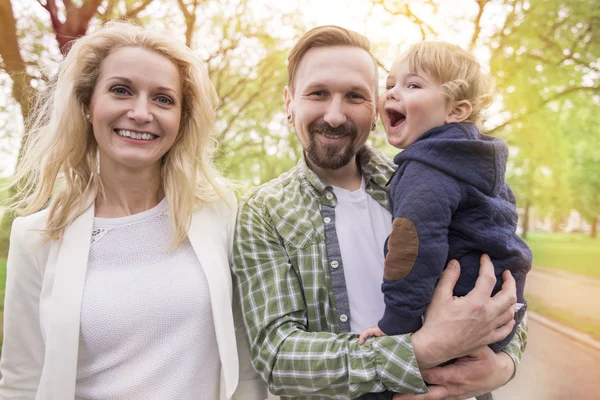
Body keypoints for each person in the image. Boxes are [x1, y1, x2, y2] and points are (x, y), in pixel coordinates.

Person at [232, 25, 526, 400]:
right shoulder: (264, 212)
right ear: (290, 103)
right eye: (318, 93)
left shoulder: (427, 180)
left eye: (354, 96)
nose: (335, 116)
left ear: (376, 109)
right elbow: (278, 358)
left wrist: (504, 366)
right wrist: (423, 350)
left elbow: (505, 269)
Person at [0, 22, 266, 400]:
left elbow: (248, 363)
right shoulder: (37, 238)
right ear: (87, 105)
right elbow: (21, 381)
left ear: (181, 119)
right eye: (121, 91)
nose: (141, 113)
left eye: (163, 99)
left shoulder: (222, 216)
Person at [358, 41, 531, 353]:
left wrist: (397, 322)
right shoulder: (477, 161)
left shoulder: (427, 166)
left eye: (413, 85)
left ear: (455, 110)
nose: (393, 92)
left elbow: (413, 246)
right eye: (390, 84)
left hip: (461, 309)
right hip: (502, 309)